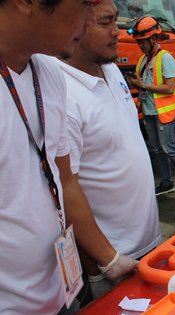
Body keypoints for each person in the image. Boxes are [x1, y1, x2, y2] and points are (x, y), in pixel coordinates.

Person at [0, 0, 136, 314]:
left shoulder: (48, 72)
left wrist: (108, 260)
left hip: (59, 295)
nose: (91, 22)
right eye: (86, 5)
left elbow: (64, 177)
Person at [58, 0, 162, 298]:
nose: (117, 33)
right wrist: (106, 260)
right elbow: (66, 185)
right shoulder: (62, 93)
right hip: (113, 260)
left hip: (146, 242)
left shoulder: (111, 69)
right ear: (75, 25)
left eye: (116, 21)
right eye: (106, 23)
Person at [126, 15, 175, 195]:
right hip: (149, 111)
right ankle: (167, 183)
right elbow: (145, 83)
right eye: (138, 42)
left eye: (143, 41)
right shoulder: (144, 60)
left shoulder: (165, 58)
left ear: (153, 39)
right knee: (156, 149)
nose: (141, 45)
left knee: (169, 148)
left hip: (163, 113)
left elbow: (169, 87)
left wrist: (142, 85)